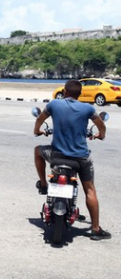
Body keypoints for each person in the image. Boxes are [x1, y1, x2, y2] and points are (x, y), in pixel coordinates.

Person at [33, 79, 110, 240]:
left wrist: (37, 131)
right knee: (89, 190)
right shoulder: (88, 108)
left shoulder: (54, 104)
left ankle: (44, 183)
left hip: (57, 155)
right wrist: (100, 135)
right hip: (81, 158)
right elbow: (101, 125)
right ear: (80, 94)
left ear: (65, 92)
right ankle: (95, 228)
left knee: (37, 151)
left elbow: (40, 119)